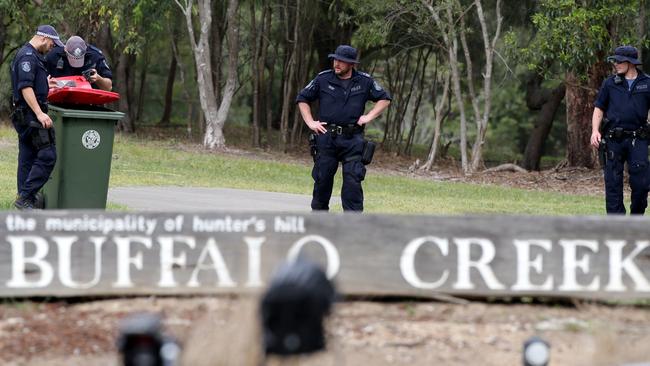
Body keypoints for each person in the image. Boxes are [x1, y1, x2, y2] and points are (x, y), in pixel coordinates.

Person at [296, 45, 391, 212]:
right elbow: (303, 98)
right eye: (335, 59)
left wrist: (368, 117)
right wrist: (311, 122)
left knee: (353, 183)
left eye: (342, 61)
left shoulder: (364, 81)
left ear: (351, 64)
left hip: (353, 139)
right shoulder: (323, 79)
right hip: (326, 138)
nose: (337, 63)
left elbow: (384, 98)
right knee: (322, 180)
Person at [590, 45, 650, 215]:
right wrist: (595, 131)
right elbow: (599, 109)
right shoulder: (609, 83)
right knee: (613, 183)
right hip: (614, 140)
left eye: (619, 61)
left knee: (642, 183)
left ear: (630, 63)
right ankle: (617, 224)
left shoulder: (647, 83)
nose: (615, 64)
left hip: (638, 139)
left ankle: (636, 219)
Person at [10, 25, 63, 210]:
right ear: (43, 38)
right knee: (48, 156)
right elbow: (25, 88)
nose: (52, 47)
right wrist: (40, 113)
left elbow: (31, 82)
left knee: (27, 156)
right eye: (51, 43)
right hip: (31, 115)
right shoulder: (27, 56)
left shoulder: (31, 56)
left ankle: (24, 201)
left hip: (25, 114)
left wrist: (44, 82)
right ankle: (25, 197)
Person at [45, 35, 113, 91]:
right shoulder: (53, 56)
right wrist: (47, 84)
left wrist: (98, 78)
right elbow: (41, 84)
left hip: (89, 102)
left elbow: (108, 88)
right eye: (73, 58)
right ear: (65, 50)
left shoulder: (95, 56)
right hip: (59, 101)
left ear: (86, 50)